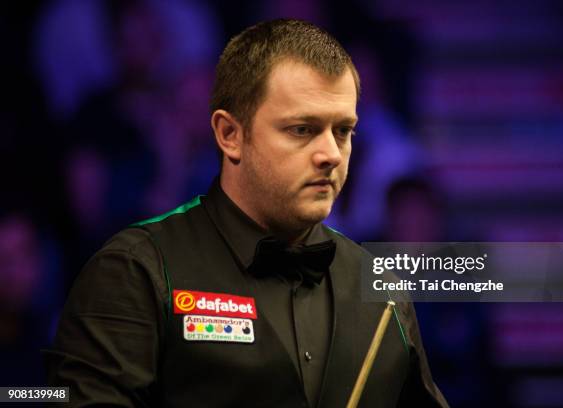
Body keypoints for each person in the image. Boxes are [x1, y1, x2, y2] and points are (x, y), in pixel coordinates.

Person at [45, 19, 449, 407]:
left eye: (342, 131)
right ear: (230, 135)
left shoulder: (380, 292)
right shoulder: (137, 270)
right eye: (301, 129)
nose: (330, 155)